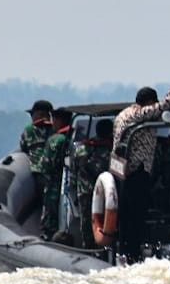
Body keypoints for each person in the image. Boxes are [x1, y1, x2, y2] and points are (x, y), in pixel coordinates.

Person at [112, 77, 170, 261]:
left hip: (121, 171)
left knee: (127, 216)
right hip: (136, 172)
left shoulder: (122, 115)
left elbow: (142, 138)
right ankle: (132, 253)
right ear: (149, 102)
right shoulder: (139, 113)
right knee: (136, 215)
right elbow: (163, 106)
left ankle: (126, 251)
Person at [72, 118, 114, 249]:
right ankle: (106, 246)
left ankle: (89, 247)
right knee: (107, 220)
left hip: (85, 191)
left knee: (87, 221)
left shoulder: (82, 149)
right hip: (108, 193)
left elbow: (74, 169)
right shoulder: (113, 150)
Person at [38, 107, 75, 240]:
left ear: (59, 120)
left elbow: (47, 165)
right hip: (71, 181)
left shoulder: (56, 139)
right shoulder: (74, 136)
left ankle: (49, 236)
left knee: (51, 213)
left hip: (54, 182)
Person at [19, 99, 55, 184]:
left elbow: (23, 147)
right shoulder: (54, 130)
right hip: (52, 170)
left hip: (36, 170)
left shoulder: (29, 130)